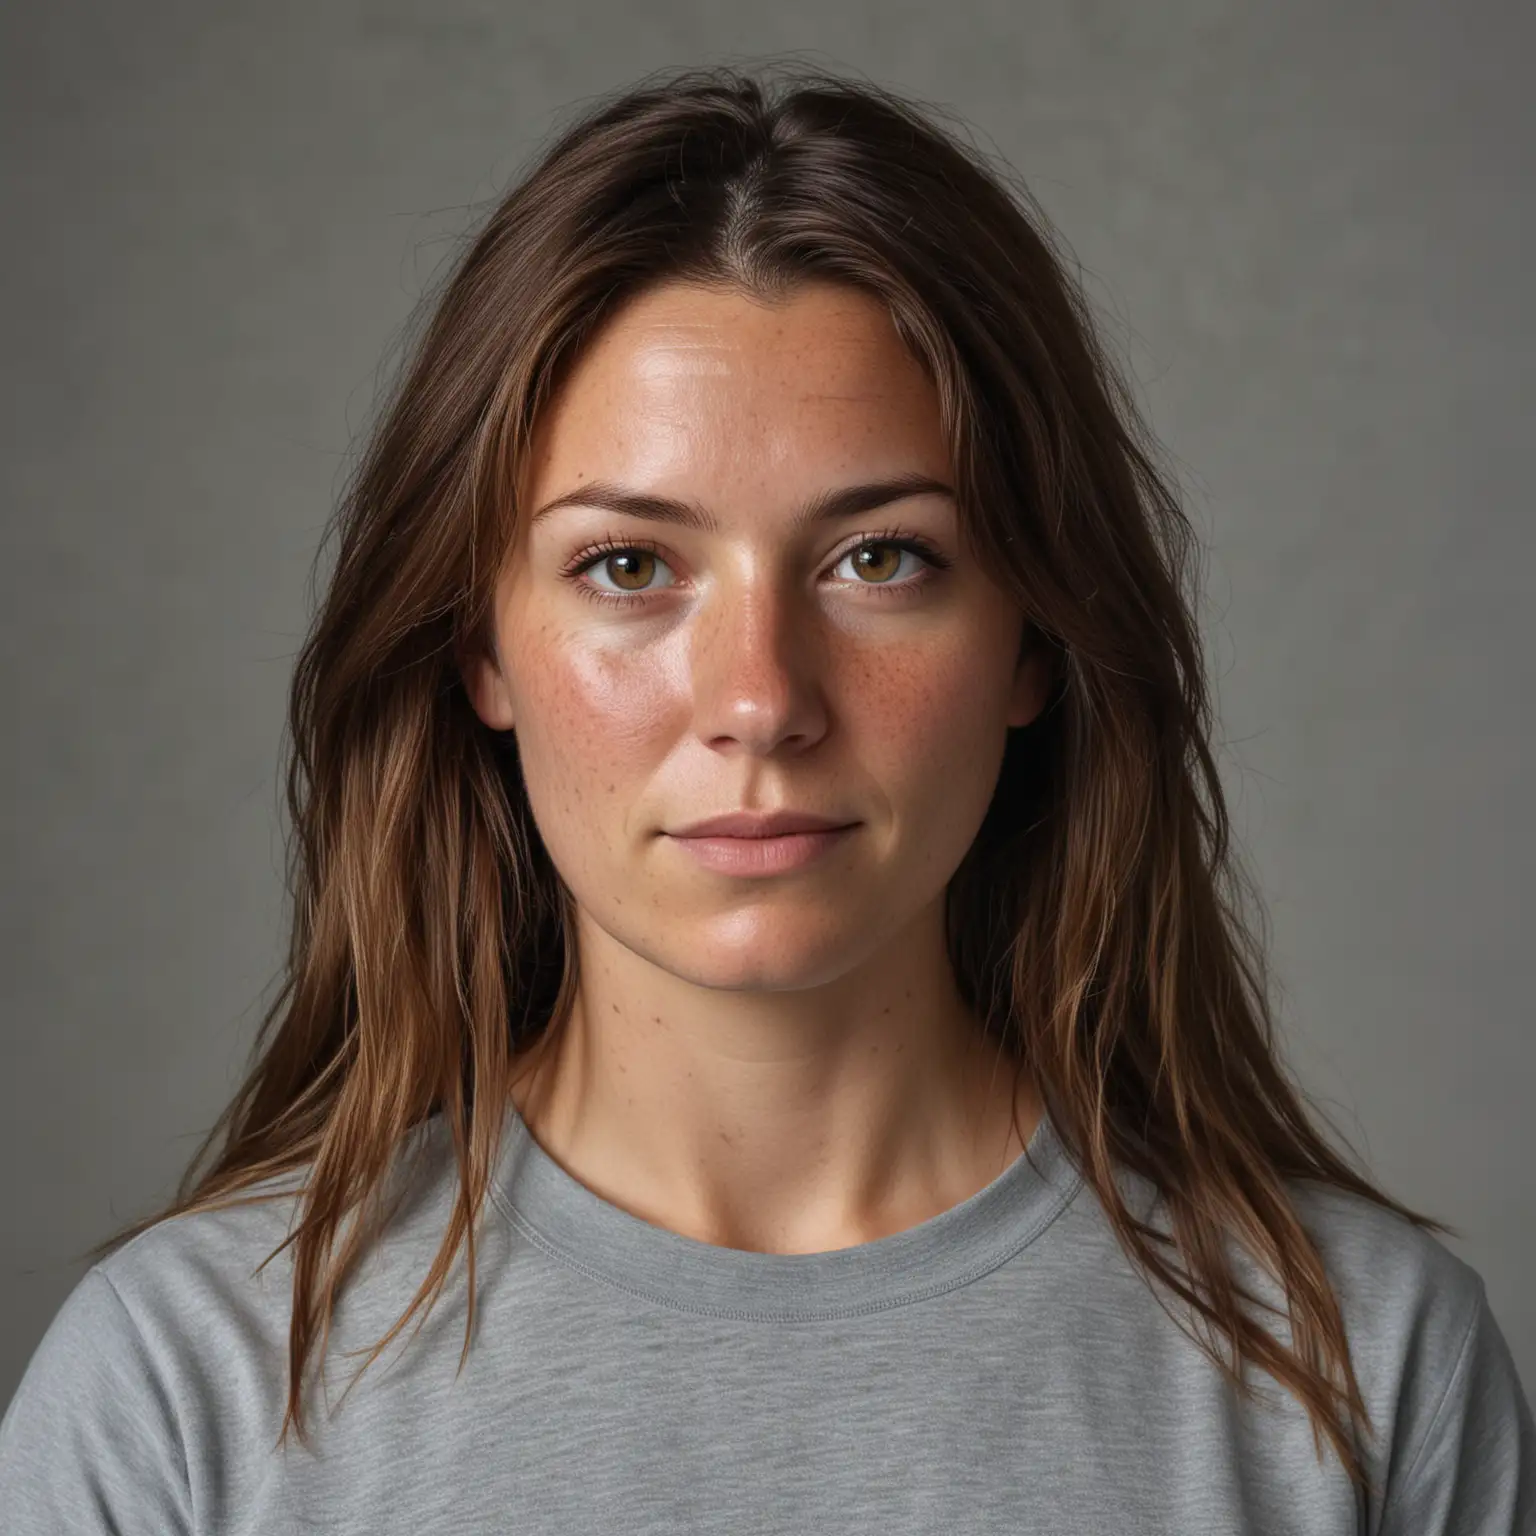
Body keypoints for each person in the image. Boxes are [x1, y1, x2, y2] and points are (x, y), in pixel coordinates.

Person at [1, 61, 1530, 1535]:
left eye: (882, 559)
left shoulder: (1364, 1371)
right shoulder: (179, 1386)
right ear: (480, 646)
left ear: (1036, 642)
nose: (758, 701)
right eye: (629, 566)